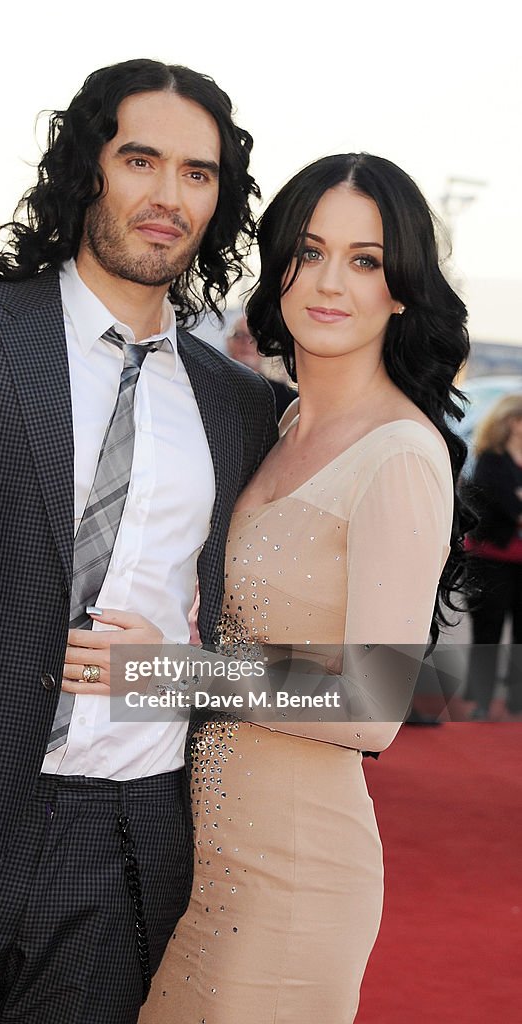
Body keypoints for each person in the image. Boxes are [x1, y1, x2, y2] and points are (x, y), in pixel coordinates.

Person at [0, 59, 276, 1023]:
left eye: (197, 174)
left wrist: (167, 673)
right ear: (88, 170)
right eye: (140, 160)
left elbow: (351, 680)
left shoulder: (240, 405)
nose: (167, 197)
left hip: (127, 849)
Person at [64, 152, 471, 1023]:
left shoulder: (402, 453)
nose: (330, 283)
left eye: (365, 261)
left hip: (296, 882)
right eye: (310, 251)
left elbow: (376, 698)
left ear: (401, 288)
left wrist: (166, 670)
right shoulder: (274, 424)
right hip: (199, 864)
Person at [463, 393, 522, 720]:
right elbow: (508, 509)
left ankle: (517, 699)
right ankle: (482, 701)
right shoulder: (490, 460)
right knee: (488, 631)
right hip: (491, 560)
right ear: (513, 422)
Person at [225, 312, 295, 418]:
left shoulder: (286, 398)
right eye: (240, 335)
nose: (247, 343)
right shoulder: (209, 388)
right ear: (228, 343)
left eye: (255, 337)